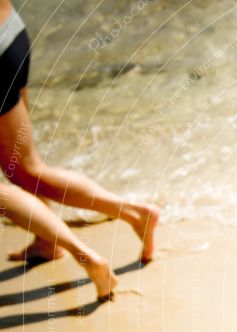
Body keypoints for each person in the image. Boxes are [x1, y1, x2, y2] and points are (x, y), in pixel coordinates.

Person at [0, 0, 158, 301]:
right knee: (26, 167)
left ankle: (86, 255)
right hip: (10, 33)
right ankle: (55, 240)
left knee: (14, 179)